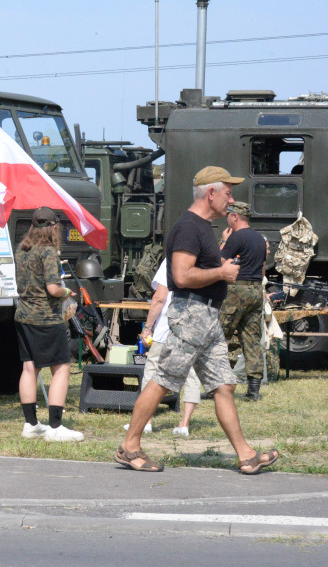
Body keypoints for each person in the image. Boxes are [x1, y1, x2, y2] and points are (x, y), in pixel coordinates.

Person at [116, 166, 279, 474]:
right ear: (211, 193)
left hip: (206, 317)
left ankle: (246, 456)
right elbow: (180, 275)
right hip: (191, 315)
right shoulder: (189, 227)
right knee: (164, 379)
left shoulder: (204, 227)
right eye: (228, 193)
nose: (231, 200)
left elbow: (199, 266)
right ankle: (129, 447)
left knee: (224, 385)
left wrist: (221, 264)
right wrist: (221, 272)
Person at [14, 206, 84, 443]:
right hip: (46, 318)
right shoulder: (48, 252)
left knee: (29, 368)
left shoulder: (22, 250)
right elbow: (53, 289)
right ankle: (55, 426)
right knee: (62, 368)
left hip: (23, 316)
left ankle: (31, 424)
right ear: (54, 227)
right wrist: (66, 291)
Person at [123, 258, 203, 436]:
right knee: (191, 374)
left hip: (166, 327)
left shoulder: (172, 260)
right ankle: (184, 424)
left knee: (152, 371)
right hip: (193, 325)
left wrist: (148, 327)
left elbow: (160, 298)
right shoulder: (205, 259)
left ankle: (146, 422)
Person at [219, 201, 268, 401]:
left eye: (229, 215)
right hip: (257, 290)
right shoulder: (259, 238)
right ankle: (253, 390)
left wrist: (224, 241)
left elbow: (219, 263)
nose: (227, 218)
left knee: (219, 337)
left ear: (235, 217)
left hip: (236, 290)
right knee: (252, 339)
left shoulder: (236, 237)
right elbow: (263, 269)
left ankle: (217, 385)